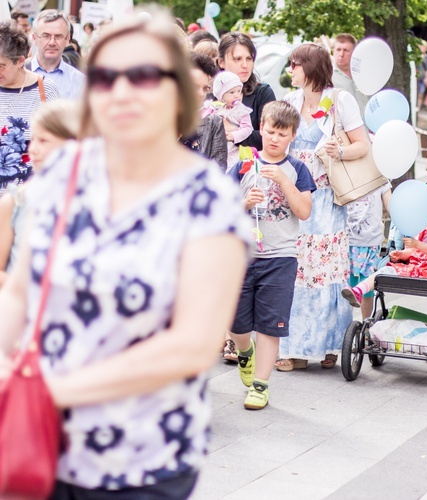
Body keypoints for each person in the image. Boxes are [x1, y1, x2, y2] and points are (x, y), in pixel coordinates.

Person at [0, 10, 252, 496]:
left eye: (142, 75)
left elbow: (192, 344)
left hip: (139, 462)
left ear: (175, 89)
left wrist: (48, 392)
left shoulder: (208, 199)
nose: (121, 90)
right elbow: (19, 289)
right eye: (106, 76)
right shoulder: (66, 170)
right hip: (35, 445)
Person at [279, 43, 370, 371]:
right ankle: (296, 348)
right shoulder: (290, 101)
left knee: (326, 270)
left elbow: (363, 144)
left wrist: (339, 150)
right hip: (297, 195)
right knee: (297, 270)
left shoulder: (338, 100)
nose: (290, 70)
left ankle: (331, 345)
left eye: (295, 64)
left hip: (327, 198)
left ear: (311, 67)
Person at [225, 100, 315, 407]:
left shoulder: (298, 169)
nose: (275, 138)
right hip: (241, 255)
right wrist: (244, 203)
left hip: (281, 257)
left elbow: (303, 211)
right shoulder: (242, 165)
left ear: (292, 136)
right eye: (270, 131)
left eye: (282, 133)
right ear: (261, 129)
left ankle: (261, 385)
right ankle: (244, 351)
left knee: (269, 324)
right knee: (236, 322)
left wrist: (284, 181)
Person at [343, 193, 427, 321]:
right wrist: (401, 254)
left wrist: (417, 244)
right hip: (413, 267)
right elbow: (414, 251)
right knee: (383, 271)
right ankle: (358, 291)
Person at [0, 100, 79, 288]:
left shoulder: (97, 198)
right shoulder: (14, 202)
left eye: (43, 141)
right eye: (32, 140)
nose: (32, 149)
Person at [0, 23, 61, 198]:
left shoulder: (45, 89)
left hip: (31, 199)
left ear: (20, 61)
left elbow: (60, 144)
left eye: (1, 66)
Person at [217, 32, 276, 151]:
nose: (245, 65)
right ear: (221, 62)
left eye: (249, 59)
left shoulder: (263, 93)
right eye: (237, 59)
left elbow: (272, 135)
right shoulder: (212, 96)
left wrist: (235, 131)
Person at [345, 181, 391, 320]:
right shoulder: (345, 172)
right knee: (348, 287)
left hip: (371, 240)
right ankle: (347, 326)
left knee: (367, 288)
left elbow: (391, 205)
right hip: (347, 239)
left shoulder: (379, 176)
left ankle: (366, 325)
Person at [182, 52, 227, 168]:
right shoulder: (159, 119)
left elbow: (218, 169)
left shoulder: (213, 122)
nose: (201, 94)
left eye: (205, 88)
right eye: (195, 86)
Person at [29, 10, 85, 100]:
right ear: (34, 38)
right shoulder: (16, 74)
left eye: (58, 36)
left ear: (67, 40)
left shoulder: (80, 82)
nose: (52, 42)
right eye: (46, 36)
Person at [203, 71, 253, 168]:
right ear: (222, 97)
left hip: (234, 150)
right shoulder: (217, 109)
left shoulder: (242, 110)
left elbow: (247, 128)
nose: (236, 95)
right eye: (232, 92)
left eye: (239, 91)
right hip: (218, 150)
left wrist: (233, 136)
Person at [331, 33, 367, 115]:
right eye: (338, 50)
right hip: (343, 126)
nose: (341, 55)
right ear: (333, 51)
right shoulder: (327, 77)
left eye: (346, 50)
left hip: (367, 125)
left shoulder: (363, 74)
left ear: (354, 52)